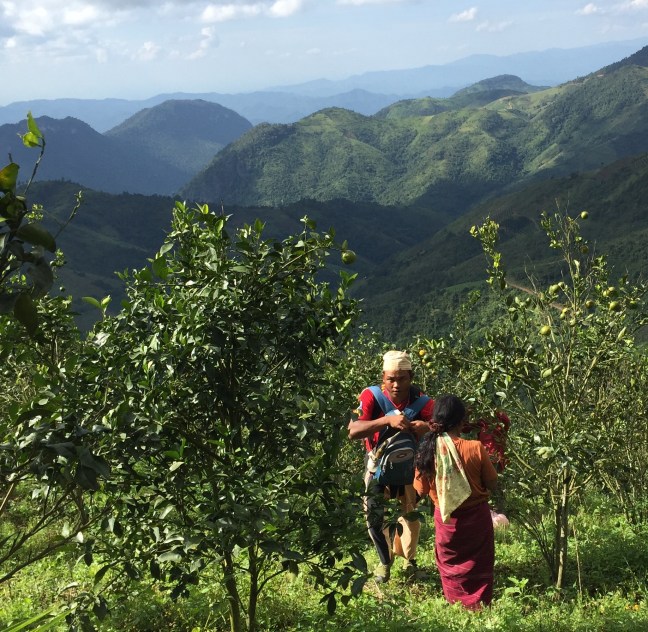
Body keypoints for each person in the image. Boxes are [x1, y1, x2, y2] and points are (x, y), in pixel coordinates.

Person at [348, 350, 434, 583]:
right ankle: (385, 562)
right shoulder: (370, 397)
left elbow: (441, 424)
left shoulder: (422, 401)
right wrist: (386, 420)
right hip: (377, 467)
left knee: (410, 515)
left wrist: (427, 426)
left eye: (402, 378)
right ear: (382, 378)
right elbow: (353, 430)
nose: (396, 384)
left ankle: (409, 561)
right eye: (390, 379)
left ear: (411, 376)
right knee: (374, 517)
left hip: (410, 468)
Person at [414, 394, 498, 610]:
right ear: (462, 421)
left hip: (447, 520)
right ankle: (479, 606)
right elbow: (492, 483)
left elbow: (419, 490)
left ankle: (457, 607)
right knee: (479, 563)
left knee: (451, 566)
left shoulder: (427, 451)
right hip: (477, 519)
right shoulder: (475, 448)